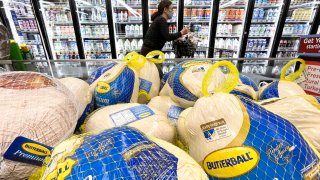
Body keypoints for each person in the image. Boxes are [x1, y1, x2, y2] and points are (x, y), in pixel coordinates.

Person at [140, 0, 189, 78]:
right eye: (171, 9)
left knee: (154, 75)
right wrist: (181, 32)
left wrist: (177, 37)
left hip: (150, 52)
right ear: (165, 9)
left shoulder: (160, 19)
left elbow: (163, 36)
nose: (173, 11)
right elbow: (167, 37)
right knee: (157, 76)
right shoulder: (161, 20)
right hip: (149, 53)